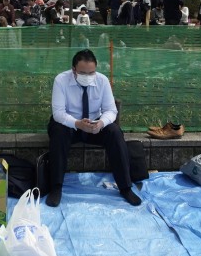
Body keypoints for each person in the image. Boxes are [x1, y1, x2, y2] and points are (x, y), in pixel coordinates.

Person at [46, 49, 140, 208]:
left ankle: (125, 187)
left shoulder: (102, 81)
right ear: (74, 69)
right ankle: (56, 187)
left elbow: (111, 110)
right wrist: (77, 123)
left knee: (115, 133)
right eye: (83, 72)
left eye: (92, 73)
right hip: (70, 124)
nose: (88, 76)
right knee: (58, 132)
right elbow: (58, 113)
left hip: (94, 124)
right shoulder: (61, 80)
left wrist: (101, 123)